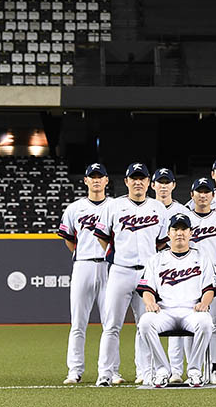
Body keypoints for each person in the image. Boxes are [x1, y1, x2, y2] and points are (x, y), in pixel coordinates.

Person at [93, 162, 169, 387]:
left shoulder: (158, 208)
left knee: (145, 325)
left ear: (148, 182)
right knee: (111, 325)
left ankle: (145, 372)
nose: (138, 182)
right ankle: (105, 373)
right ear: (126, 182)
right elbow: (102, 236)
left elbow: (162, 242)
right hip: (120, 271)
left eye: (142, 178)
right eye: (133, 178)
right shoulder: (114, 207)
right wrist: (116, 254)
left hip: (147, 274)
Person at [136, 213, 216, 388]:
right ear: (169, 233)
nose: (180, 233)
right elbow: (146, 289)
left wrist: (205, 303)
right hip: (165, 311)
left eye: (183, 229)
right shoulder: (156, 259)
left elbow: (209, 288)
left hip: (192, 311)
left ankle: (195, 370)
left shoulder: (202, 257)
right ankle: (162, 370)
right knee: (145, 323)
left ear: (190, 233)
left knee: (206, 323)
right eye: (175, 229)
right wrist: (149, 302)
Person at [57, 162, 110, 384]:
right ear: (86, 180)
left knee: (111, 324)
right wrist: (82, 253)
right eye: (92, 176)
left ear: (106, 180)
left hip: (109, 266)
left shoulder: (115, 206)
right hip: (83, 265)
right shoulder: (74, 208)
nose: (96, 180)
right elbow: (69, 238)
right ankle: (74, 370)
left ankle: (110, 371)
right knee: (78, 322)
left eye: (100, 176)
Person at [185, 177, 216, 384]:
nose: (203, 195)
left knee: (215, 325)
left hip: (215, 274)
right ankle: (193, 369)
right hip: (189, 273)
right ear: (192, 195)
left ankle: (214, 369)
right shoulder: (184, 219)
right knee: (190, 324)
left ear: (213, 196)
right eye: (199, 191)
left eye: (206, 192)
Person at [150, 167, 193, 383]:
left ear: (173, 185)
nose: (164, 186)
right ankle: (154, 370)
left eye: (168, 182)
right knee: (152, 321)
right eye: (160, 182)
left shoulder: (183, 210)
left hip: (179, 268)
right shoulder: (147, 207)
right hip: (155, 267)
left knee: (182, 319)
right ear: (153, 185)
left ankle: (182, 370)